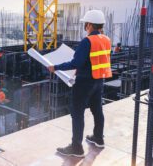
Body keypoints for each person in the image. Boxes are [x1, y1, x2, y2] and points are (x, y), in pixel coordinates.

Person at [48, 10, 112, 158]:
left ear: (89, 25)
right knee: (97, 110)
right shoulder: (106, 40)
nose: (85, 26)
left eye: (86, 24)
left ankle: (76, 148)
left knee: (77, 114)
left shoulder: (87, 41)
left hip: (84, 83)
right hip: (98, 80)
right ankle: (98, 138)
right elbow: (99, 60)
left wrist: (55, 67)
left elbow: (76, 62)